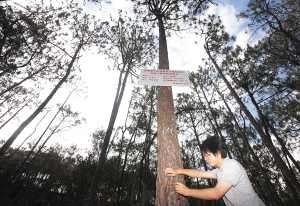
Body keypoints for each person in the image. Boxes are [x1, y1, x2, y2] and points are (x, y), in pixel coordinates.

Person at [165, 136, 265, 206]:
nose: (205, 158)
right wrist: (178, 171)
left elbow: (216, 193)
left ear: (218, 152)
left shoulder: (232, 165)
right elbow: (199, 173)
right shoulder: (219, 171)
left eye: (207, 154)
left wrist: (188, 192)